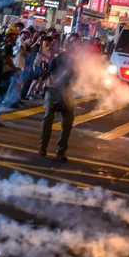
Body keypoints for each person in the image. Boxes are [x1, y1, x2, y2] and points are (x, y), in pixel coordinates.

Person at [39, 33, 80, 162]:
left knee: (68, 122)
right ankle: (43, 147)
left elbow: (75, 78)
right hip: (53, 91)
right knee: (48, 118)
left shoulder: (75, 62)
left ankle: (61, 151)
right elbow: (48, 75)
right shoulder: (57, 59)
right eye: (71, 43)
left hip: (66, 91)